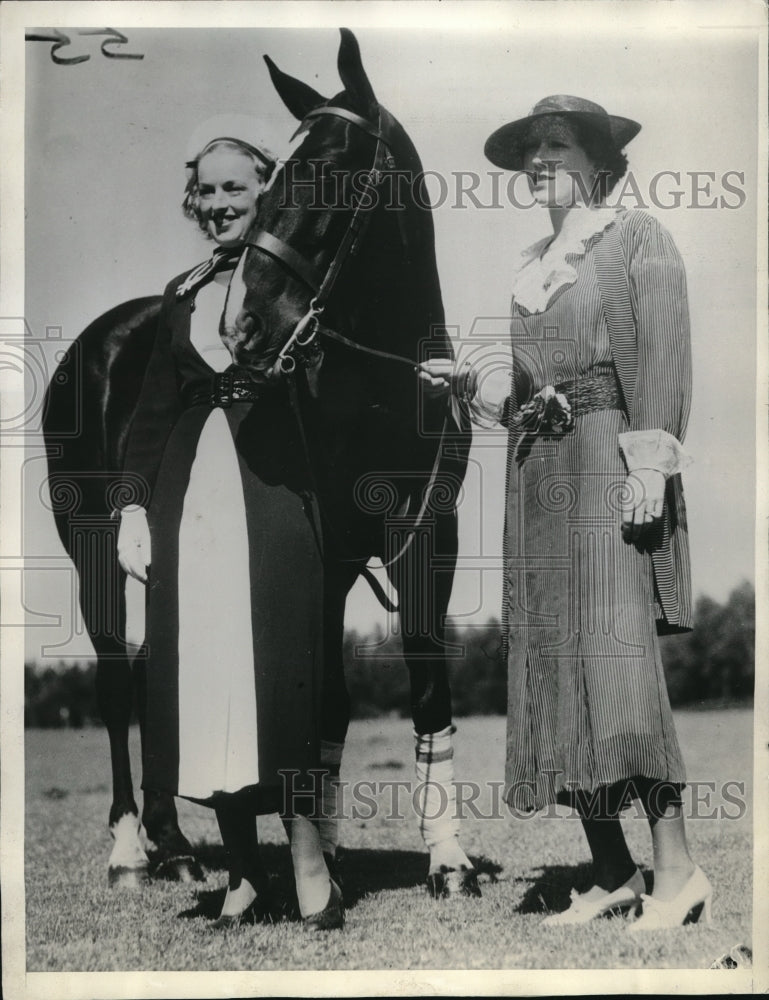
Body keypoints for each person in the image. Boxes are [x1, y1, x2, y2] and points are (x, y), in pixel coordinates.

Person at [420, 95, 711, 930]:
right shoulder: (532, 264)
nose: (538, 160)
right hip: (538, 477)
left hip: (610, 464)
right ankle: (612, 869)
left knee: (616, 668)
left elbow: (662, 358)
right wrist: (476, 382)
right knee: (551, 663)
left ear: (597, 161)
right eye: (530, 150)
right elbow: (525, 381)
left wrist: (649, 467)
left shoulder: (638, 241)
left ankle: (678, 872)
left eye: (556, 145)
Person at [117, 117, 342, 930]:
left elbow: (328, 393)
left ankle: (310, 861)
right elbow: (150, 413)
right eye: (205, 191)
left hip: (274, 494)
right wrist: (134, 509)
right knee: (204, 683)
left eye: (234, 189)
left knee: (285, 681)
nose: (217, 204)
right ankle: (244, 872)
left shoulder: (303, 285)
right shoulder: (179, 295)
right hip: (190, 505)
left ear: (268, 195)